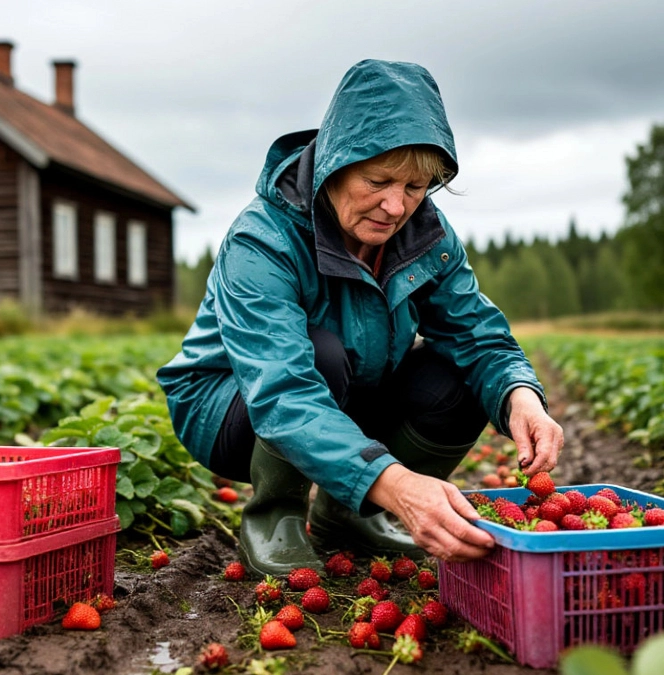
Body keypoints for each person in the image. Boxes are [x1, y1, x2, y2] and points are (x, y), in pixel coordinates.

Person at [158, 59, 563, 577]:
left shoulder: (428, 238)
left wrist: (520, 397)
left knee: (457, 374)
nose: (396, 207)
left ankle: (354, 514)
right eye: (378, 180)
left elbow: (478, 336)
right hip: (232, 403)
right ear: (334, 164)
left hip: (353, 388)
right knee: (321, 353)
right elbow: (282, 391)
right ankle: (274, 518)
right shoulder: (262, 240)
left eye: (416, 188)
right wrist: (400, 484)